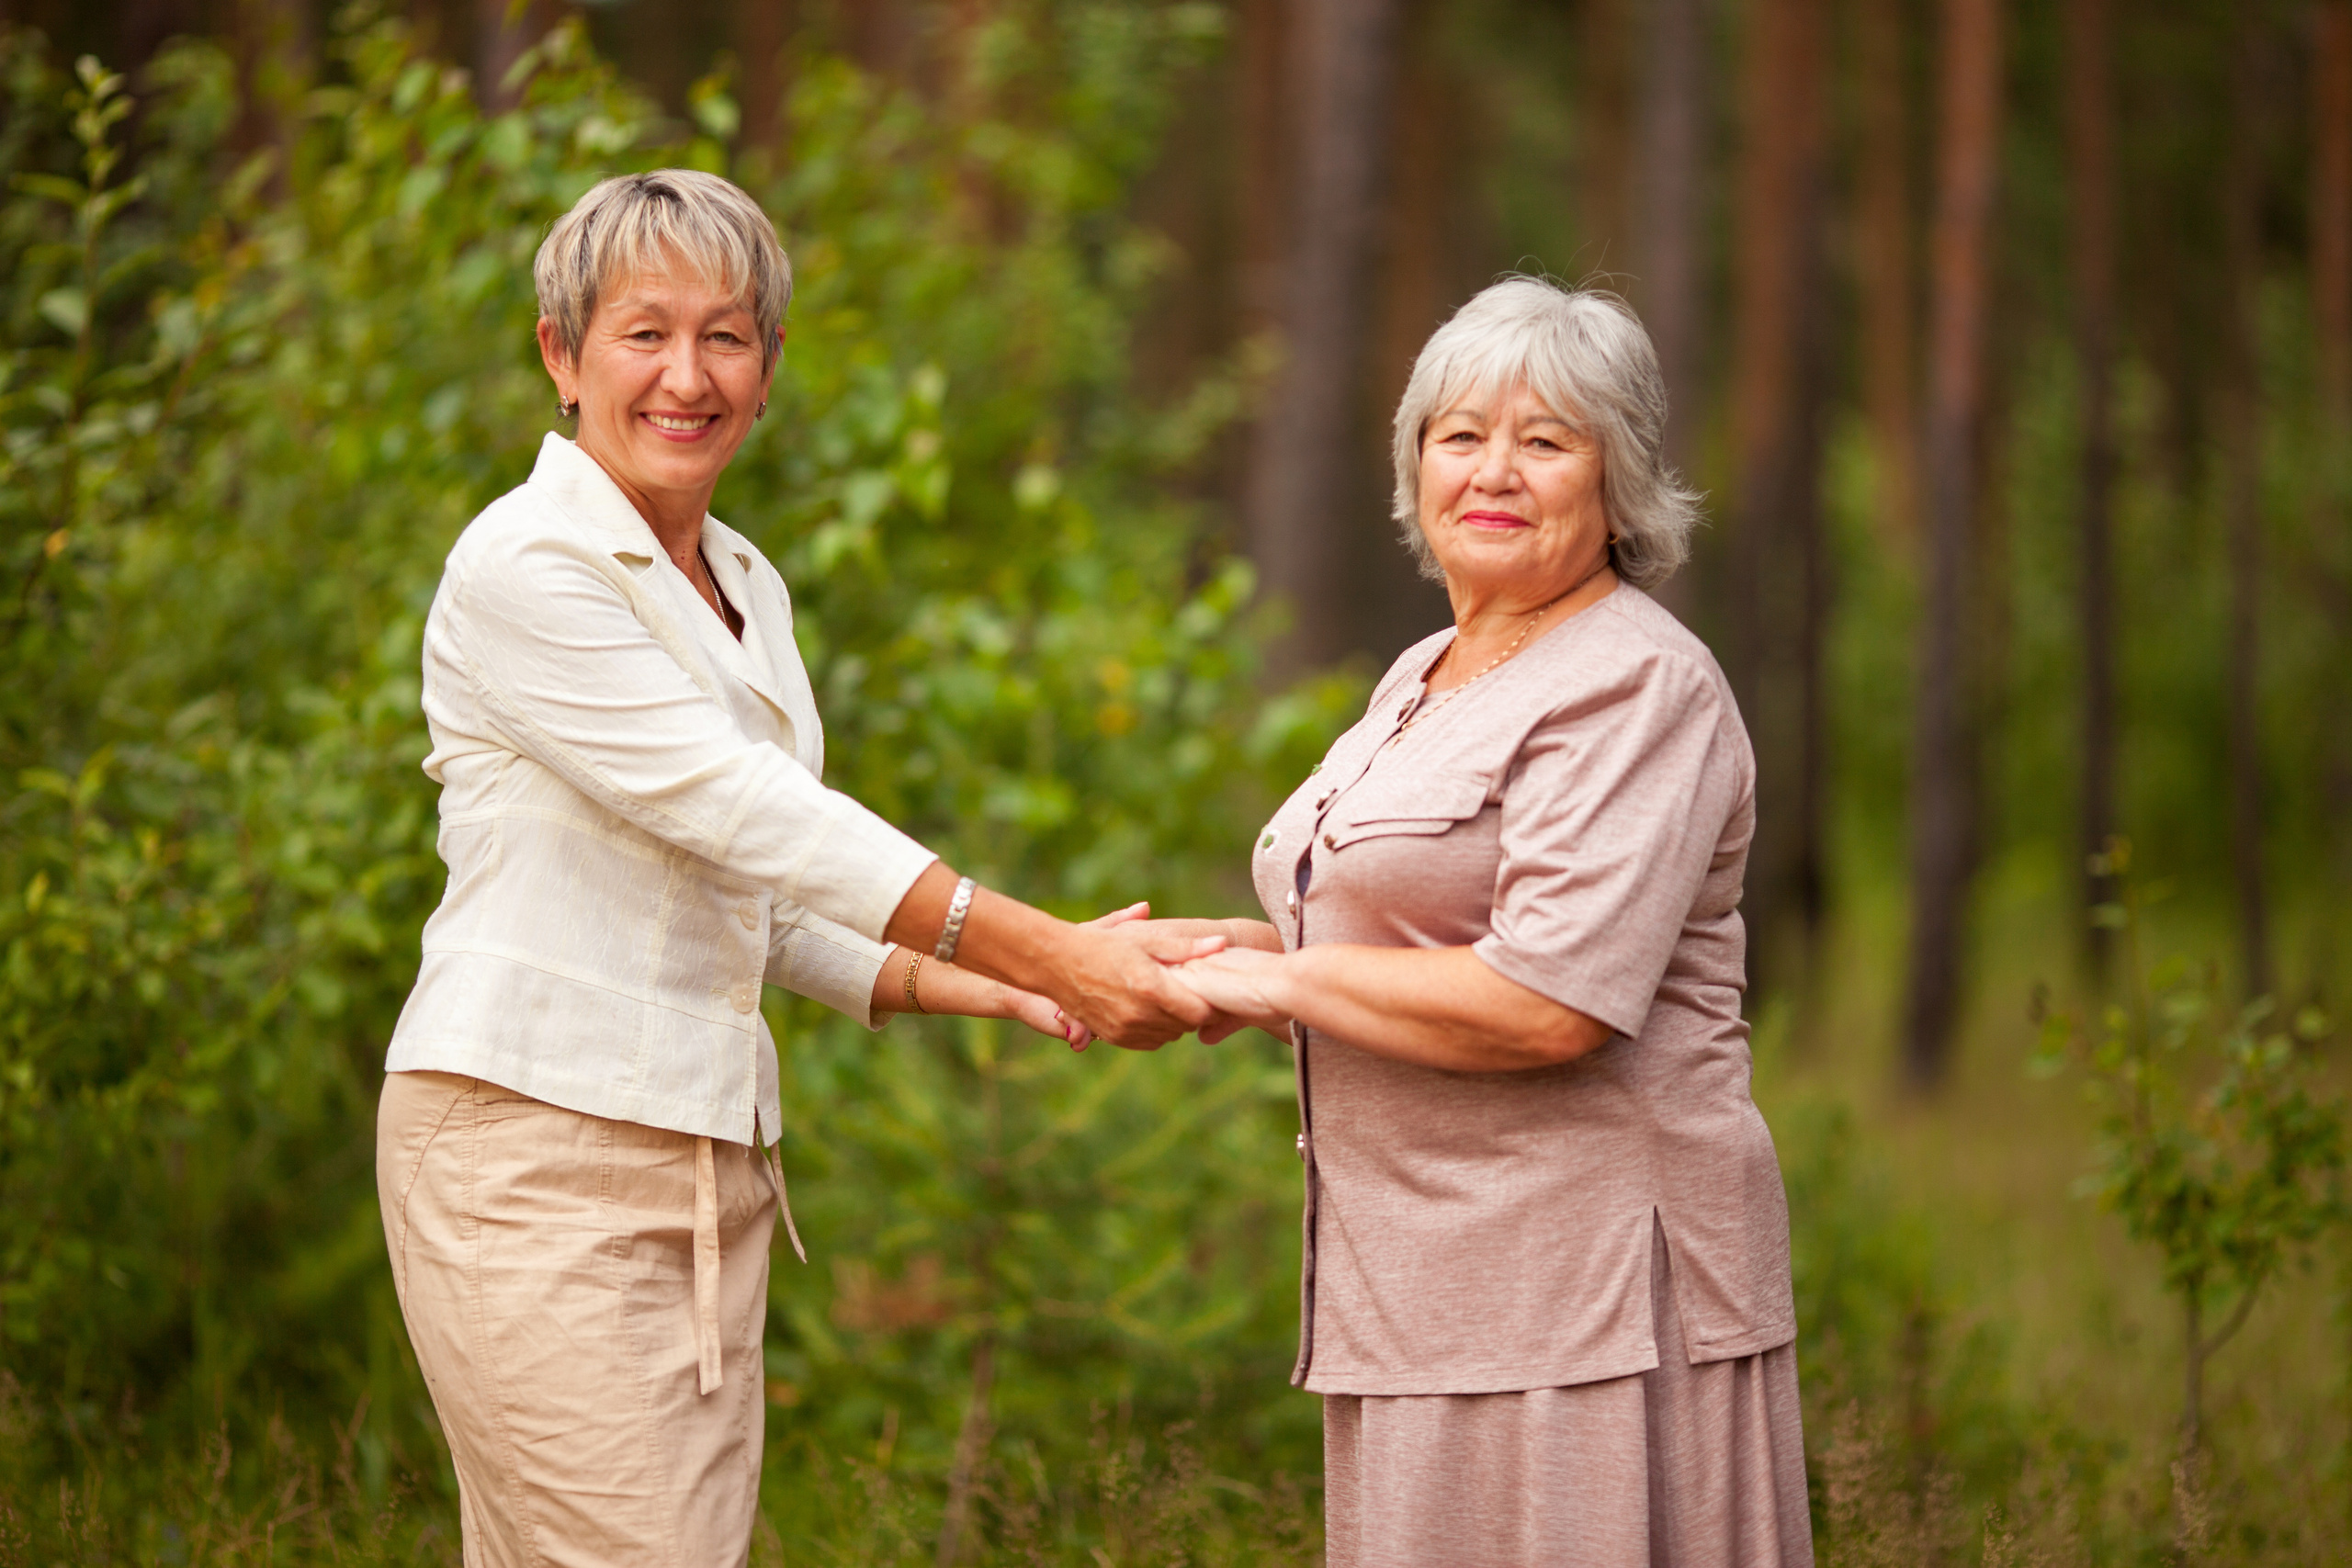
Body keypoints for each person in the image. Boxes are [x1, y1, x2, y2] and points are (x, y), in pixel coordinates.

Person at [373, 169, 1216, 1566]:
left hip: (700, 1166)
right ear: (559, 354)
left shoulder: (744, 586)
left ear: (768, 370)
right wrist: (1045, 948)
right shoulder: (525, 563)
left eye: (728, 336)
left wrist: (1008, 989)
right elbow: (750, 812)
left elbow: (752, 905)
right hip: (527, 1153)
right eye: (643, 333)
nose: (687, 376)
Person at [1170, 277, 1813, 1567]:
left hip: (1588, 1307)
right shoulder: (1425, 673)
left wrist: (1273, 989)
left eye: (1545, 439)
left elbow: (1548, 1002)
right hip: (1414, 1285)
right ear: (1416, 465)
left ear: (1616, 477)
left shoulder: (1639, 684)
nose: (1494, 472)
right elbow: (1360, 941)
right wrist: (1184, 960)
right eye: (1460, 436)